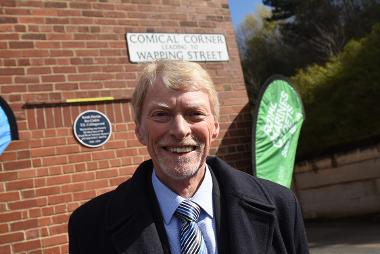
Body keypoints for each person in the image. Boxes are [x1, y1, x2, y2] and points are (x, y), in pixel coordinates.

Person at [68, 60, 309, 254]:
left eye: (194, 113)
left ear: (215, 127)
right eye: (161, 114)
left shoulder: (281, 206)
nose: (180, 130)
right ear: (139, 130)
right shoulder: (89, 225)